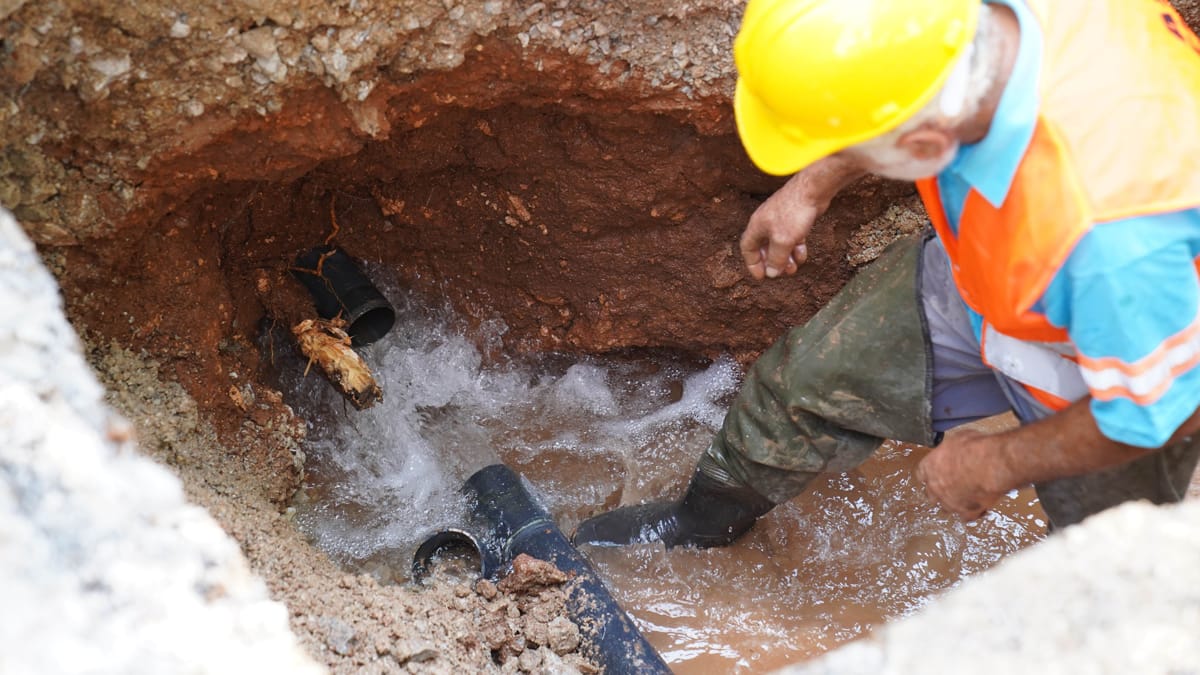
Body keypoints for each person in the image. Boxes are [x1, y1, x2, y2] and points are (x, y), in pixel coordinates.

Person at [573, 0, 1200, 549]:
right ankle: (700, 524)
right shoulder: (955, 32)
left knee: (1109, 562)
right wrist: (811, 188)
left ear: (925, 148)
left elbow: (1162, 412)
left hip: (1130, 353)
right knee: (805, 381)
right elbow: (896, 77)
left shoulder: (1115, 230)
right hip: (989, 272)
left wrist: (996, 463)